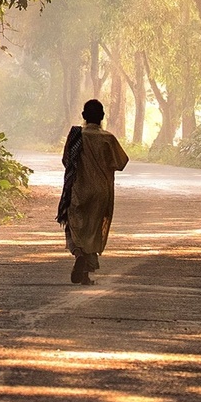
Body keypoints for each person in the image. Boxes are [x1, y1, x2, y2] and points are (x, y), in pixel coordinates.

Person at [57, 98, 129, 284]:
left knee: (75, 225)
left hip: (79, 189)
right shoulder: (108, 138)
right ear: (102, 117)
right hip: (101, 192)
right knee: (93, 229)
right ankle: (86, 274)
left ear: (83, 116)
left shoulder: (76, 137)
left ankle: (79, 254)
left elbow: (66, 161)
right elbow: (121, 162)